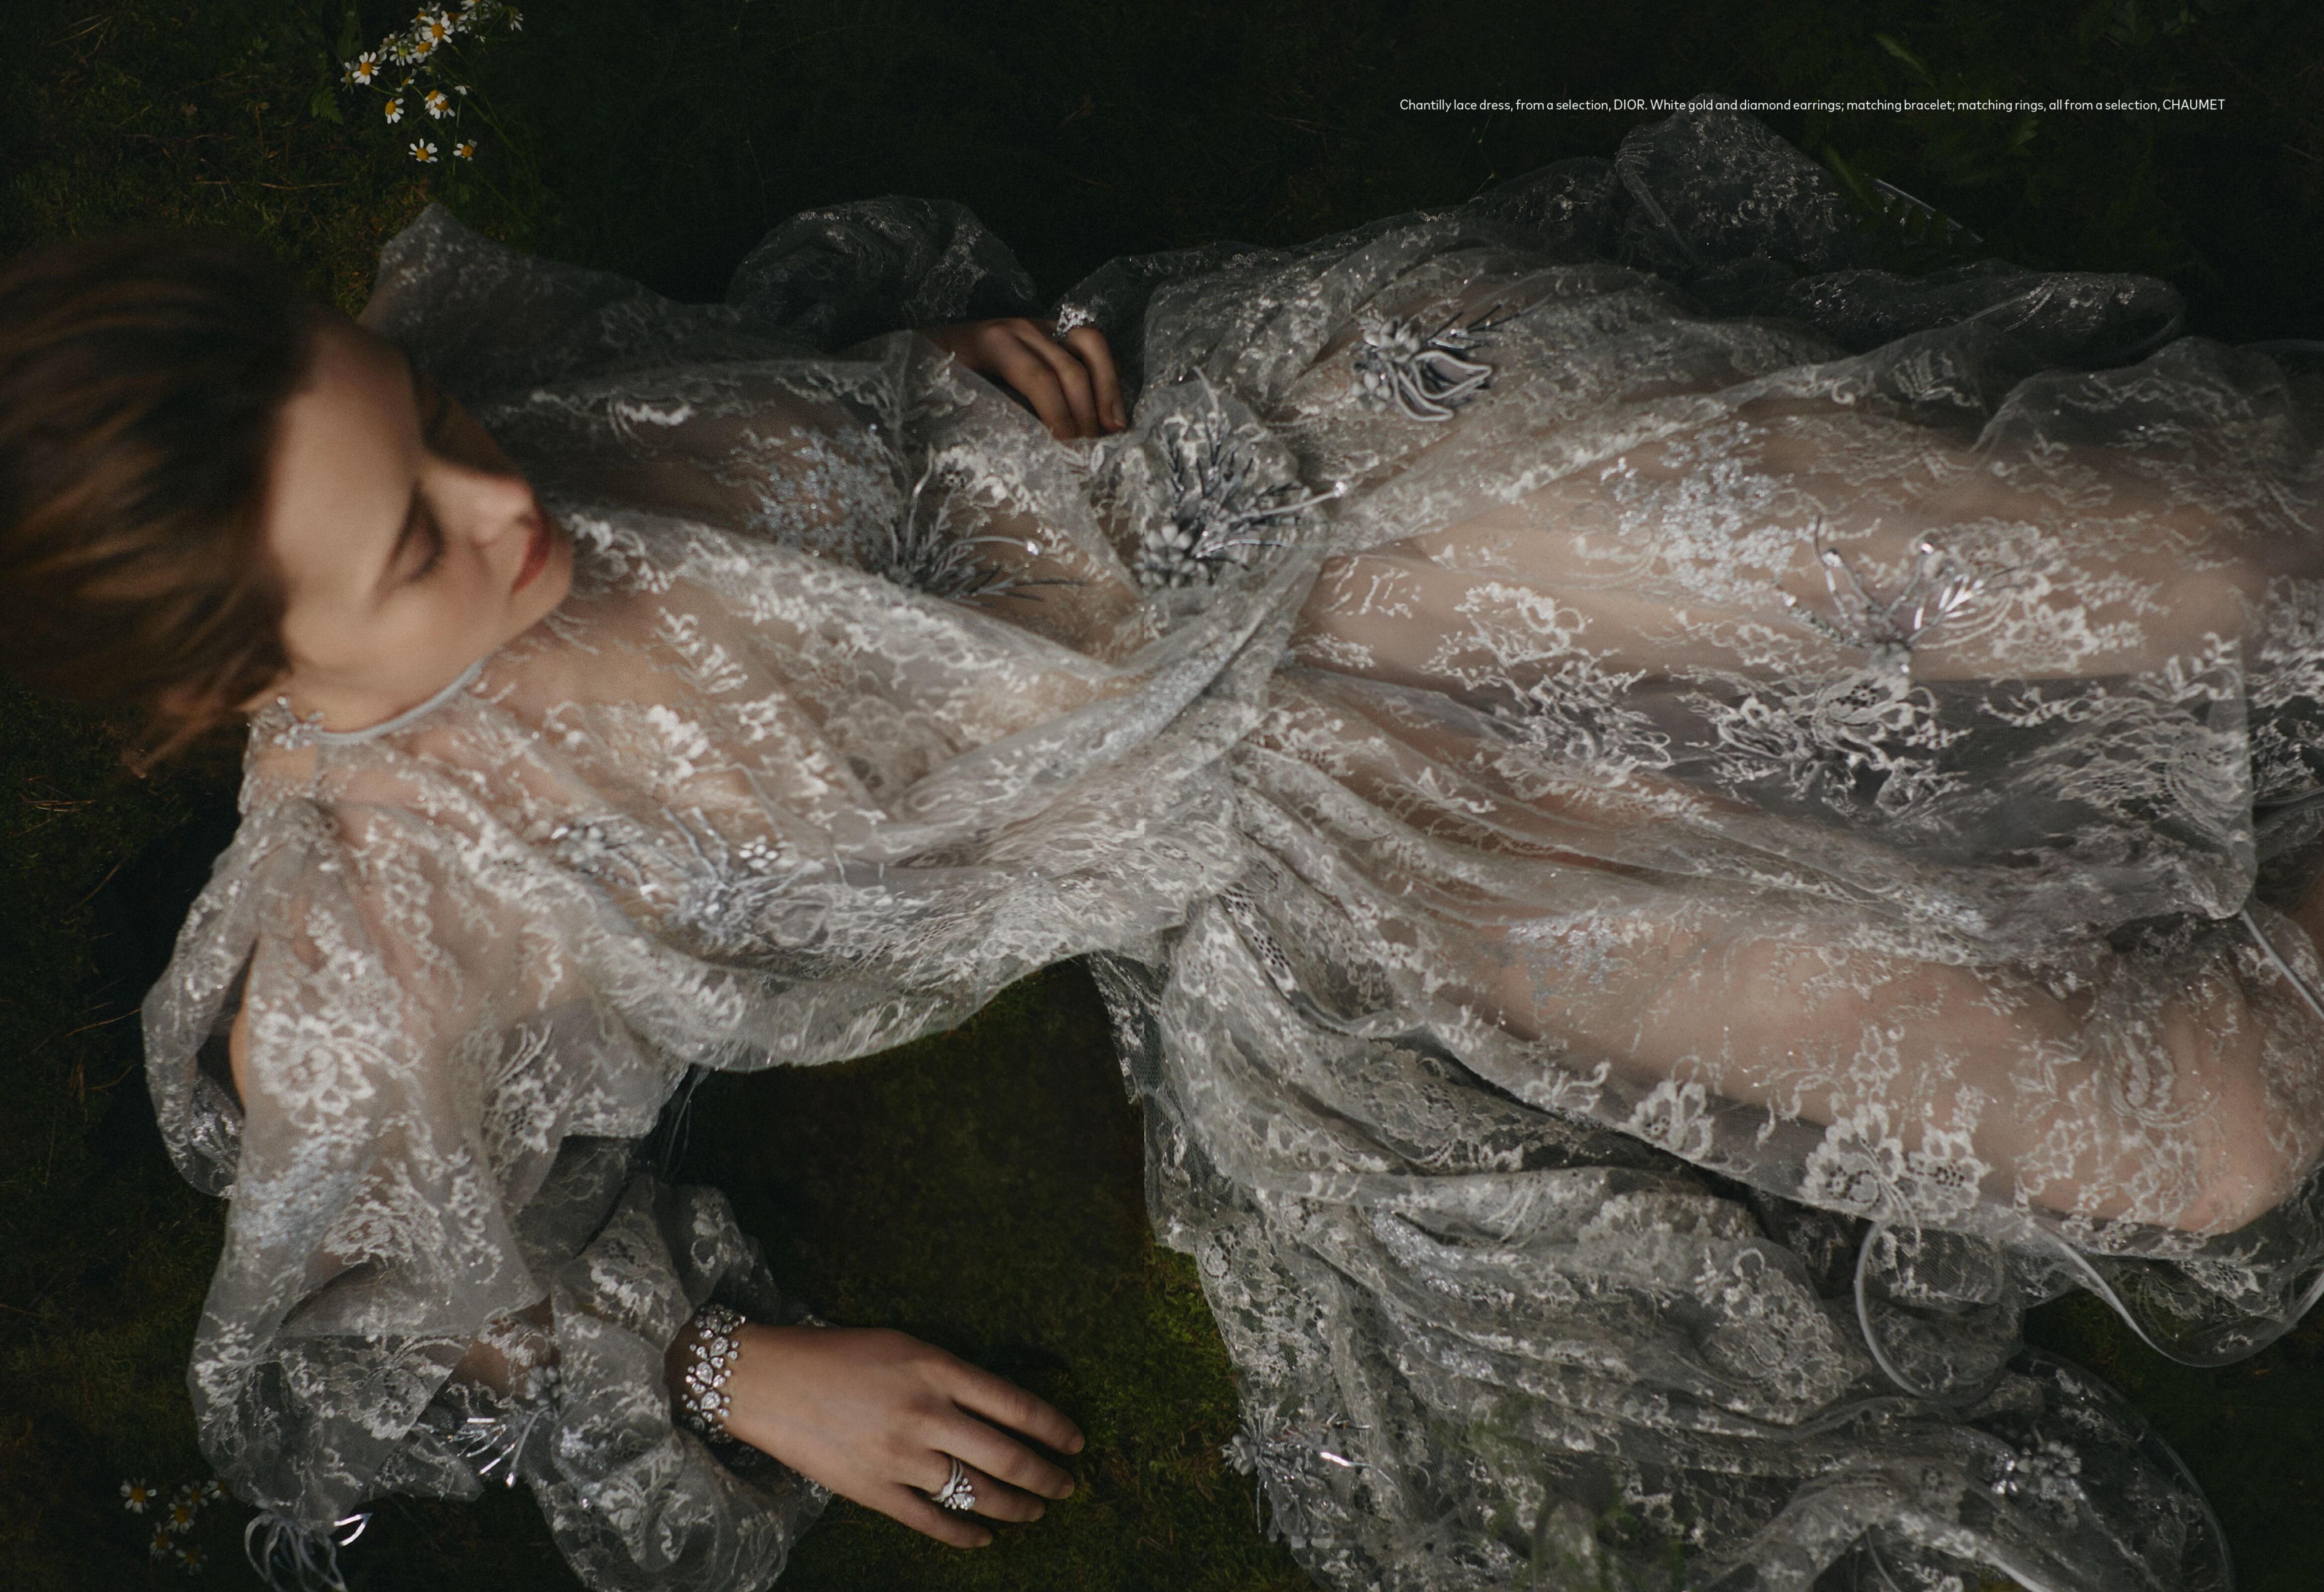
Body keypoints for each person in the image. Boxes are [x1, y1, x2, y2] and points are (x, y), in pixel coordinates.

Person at [5, 103, 2322, 1591]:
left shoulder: (481, 424)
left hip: (1302, 478)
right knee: (2200, 1132)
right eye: (415, 541)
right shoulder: (381, 955)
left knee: (2220, 566)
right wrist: (722, 1369)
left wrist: (939, 384)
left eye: (437, 419)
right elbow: (365, 1330)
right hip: (1331, 849)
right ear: (233, 686)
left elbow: (741, 397)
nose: (511, 492)